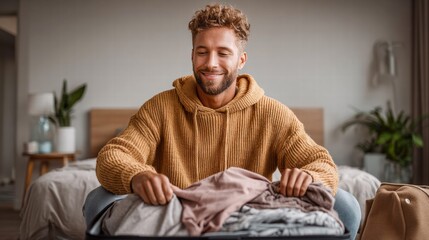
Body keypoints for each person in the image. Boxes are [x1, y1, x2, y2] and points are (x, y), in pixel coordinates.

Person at [84, 3, 360, 239]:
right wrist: (137, 176)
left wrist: (308, 175)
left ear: (241, 60)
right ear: (192, 55)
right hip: (176, 211)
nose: (211, 63)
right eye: (202, 51)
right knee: (97, 200)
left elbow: (323, 164)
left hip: (248, 215)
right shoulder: (161, 107)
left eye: (223, 53)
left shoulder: (272, 113)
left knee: (346, 205)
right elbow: (113, 155)